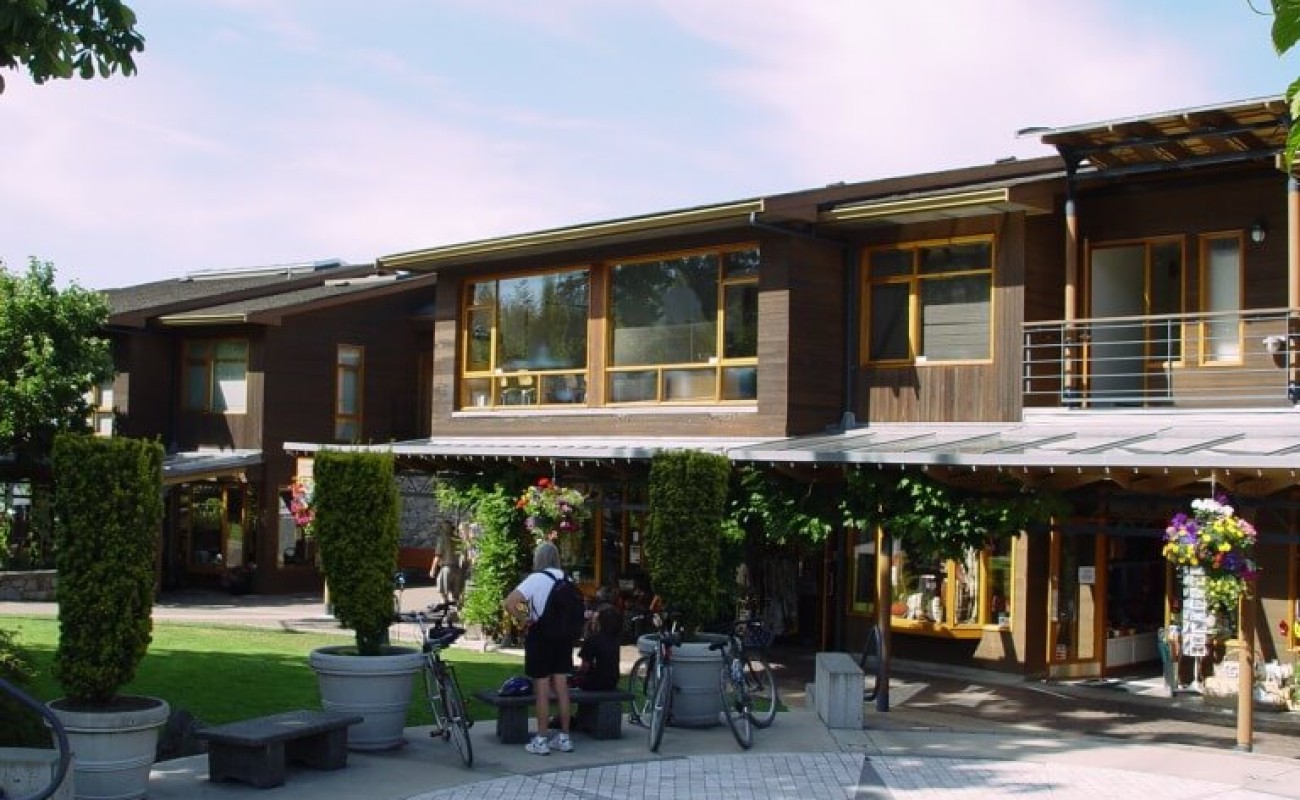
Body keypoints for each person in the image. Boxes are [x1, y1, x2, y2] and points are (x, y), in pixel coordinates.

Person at [504, 540, 574, 755]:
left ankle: (541, 738)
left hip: (541, 636)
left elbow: (510, 602)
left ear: (538, 558)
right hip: (564, 637)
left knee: (541, 688)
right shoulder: (566, 578)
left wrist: (525, 619)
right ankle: (564, 737)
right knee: (562, 687)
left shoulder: (536, 579)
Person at [429, 521, 463, 607]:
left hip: (446, 568)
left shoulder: (442, 539)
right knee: (456, 594)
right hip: (457, 568)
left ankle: (445, 604)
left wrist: (433, 569)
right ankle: (457, 609)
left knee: (442, 588)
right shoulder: (458, 539)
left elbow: (438, 555)